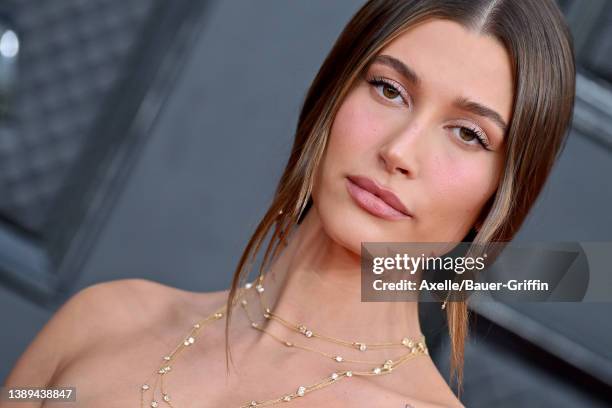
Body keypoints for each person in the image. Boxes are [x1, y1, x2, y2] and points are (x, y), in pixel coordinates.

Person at [3, 0, 575, 407]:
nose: (399, 151)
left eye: (468, 134)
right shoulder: (103, 321)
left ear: (498, 196)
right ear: (331, 92)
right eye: (388, 89)